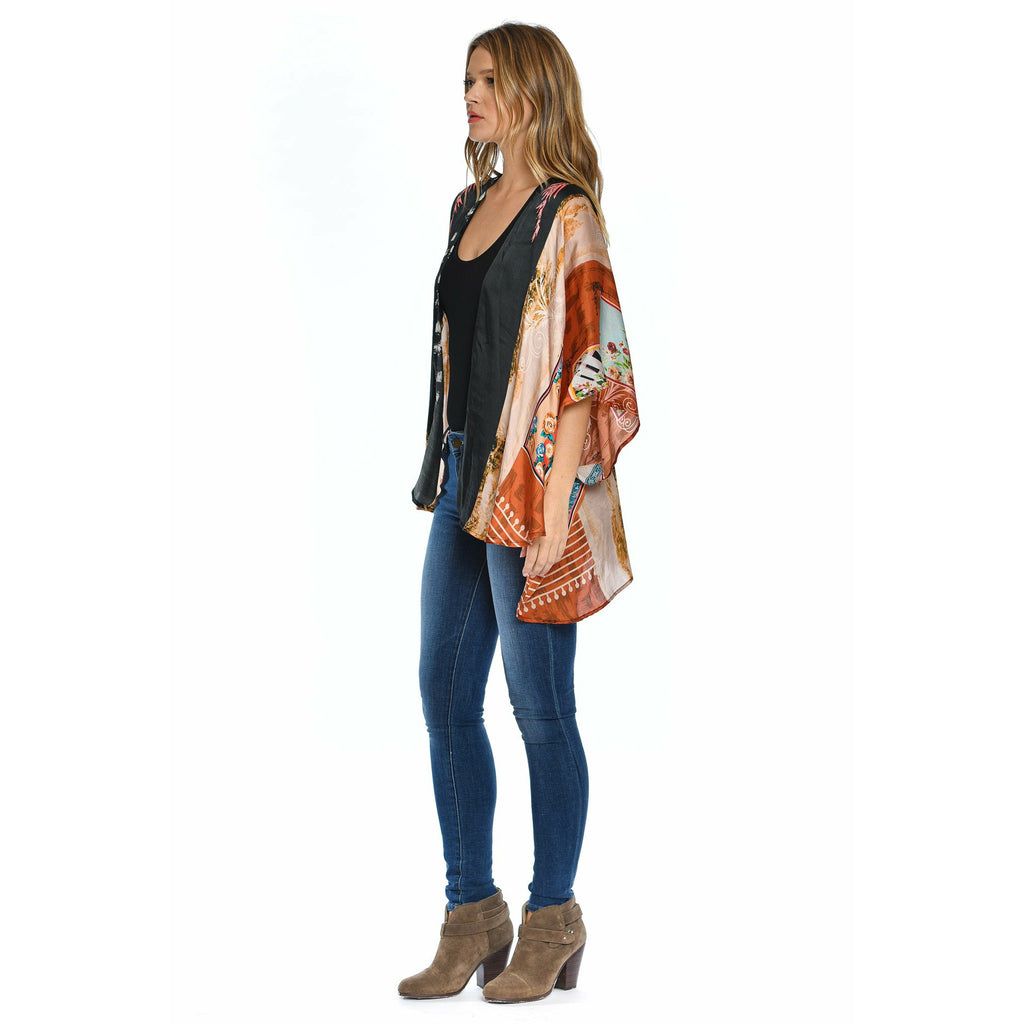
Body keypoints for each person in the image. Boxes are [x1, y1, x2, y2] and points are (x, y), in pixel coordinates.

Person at [399, 22, 640, 1004]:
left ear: (533, 91)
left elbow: (591, 363)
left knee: (540, 708)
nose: (471, 94)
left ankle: (553, 916)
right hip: (463, 474)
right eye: (468, 78)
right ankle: (472, 913)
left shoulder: (567, 214)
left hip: (532, 486)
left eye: (489, 79)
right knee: (443, 694)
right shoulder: (469, 203)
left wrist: (552, 508)